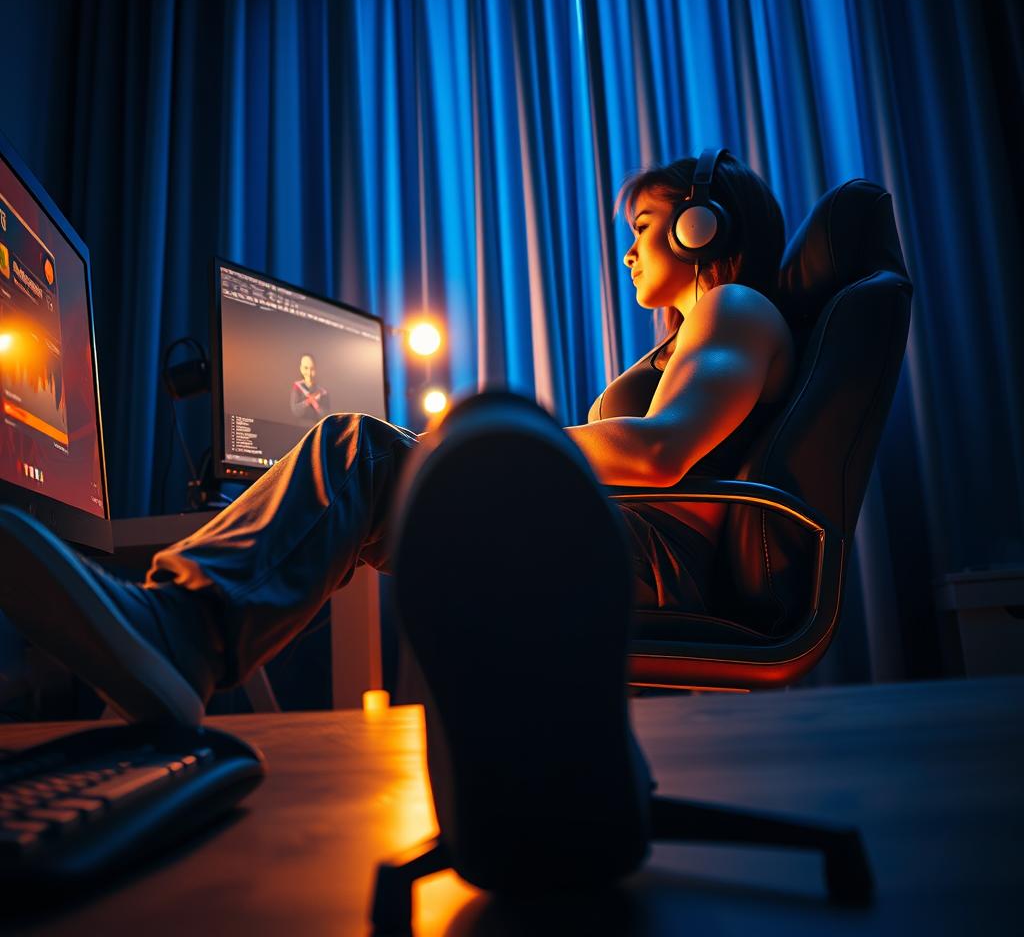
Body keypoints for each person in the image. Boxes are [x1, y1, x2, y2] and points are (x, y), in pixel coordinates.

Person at [0, 149, 792, 730]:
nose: (627, 249)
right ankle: (179, 634)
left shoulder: (734, 308)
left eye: (647, 227)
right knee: (372, 475)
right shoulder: (693, 336)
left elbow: (659, 454)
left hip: (646, 563)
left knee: (361, 451)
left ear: (700, 229)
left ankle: (182, 634)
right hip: (620, 546)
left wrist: (482, 449)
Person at [290, 352, 330, 420]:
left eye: (312, 369)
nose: (309, 373)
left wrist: (316, 405)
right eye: (306, 368)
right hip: (299, 425)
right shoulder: (298, 386)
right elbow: (295, 410)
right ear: (301, 368)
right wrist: (307, 401)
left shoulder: (322, 391)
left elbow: (326, 414)